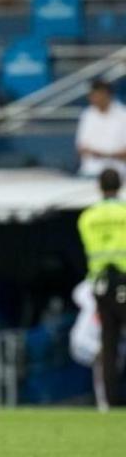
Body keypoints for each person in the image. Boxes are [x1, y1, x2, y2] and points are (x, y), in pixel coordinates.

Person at [78, 169, 126, 407]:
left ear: (99, 186)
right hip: (124, 279)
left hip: (100, 285)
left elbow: (90, 246)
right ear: (121, 184)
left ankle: (111, 400)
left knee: (109, 342)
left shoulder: (87, 217)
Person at [76, 80, 126, 178]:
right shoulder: (87, 115)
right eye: (91, 95)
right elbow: (81, 147)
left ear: (106, 94)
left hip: (119, 174)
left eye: (96, 95)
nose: (93, 98)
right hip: (90, 172)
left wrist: (104, 154)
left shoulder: (123, 115)